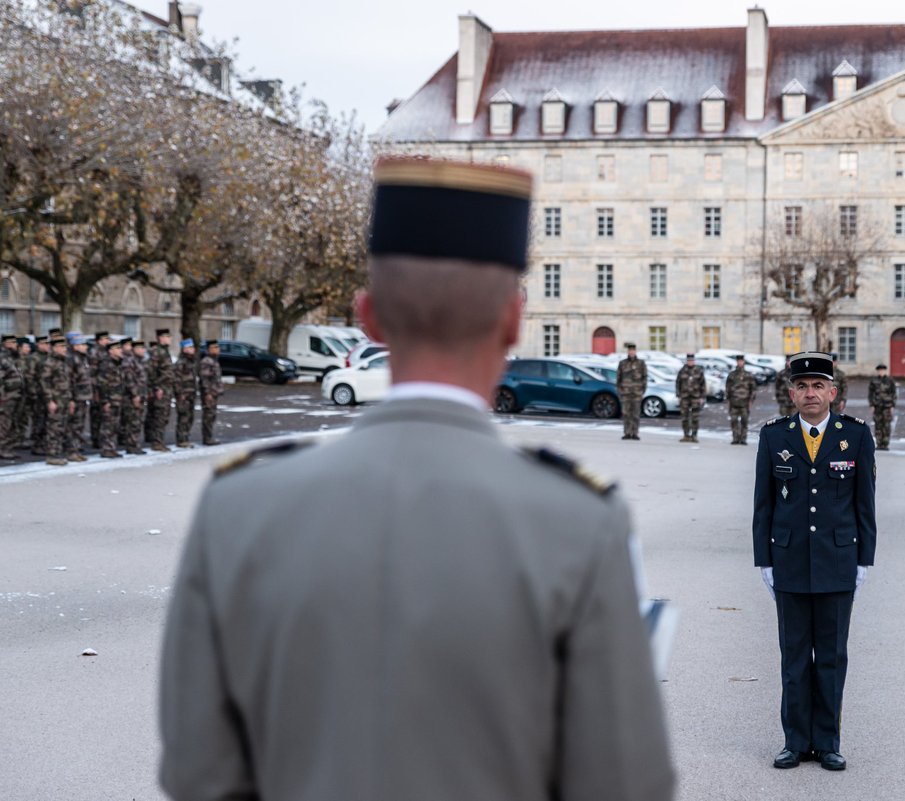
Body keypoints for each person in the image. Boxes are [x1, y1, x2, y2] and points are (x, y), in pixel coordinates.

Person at [159, 157, 673, 801]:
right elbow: (624, 782)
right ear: (513, 321)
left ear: (368, 317)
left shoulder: (239, 504)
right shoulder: (579, 520)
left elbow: (197, 774)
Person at [754, 351, 876, 773]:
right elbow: (763, 504)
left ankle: (827, 743)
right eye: (802, 386)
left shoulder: (856, 436)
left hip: (838, 561)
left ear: (833, 392)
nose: (810, 393)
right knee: (793, 659)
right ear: (791, 393)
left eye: (818, 386)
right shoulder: (774, 436)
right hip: (788, 561)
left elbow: (865, 504)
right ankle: (794, 742)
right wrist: (763, 560)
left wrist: (864, 559)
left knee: (830, 657)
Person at [39, 335, 72, 466]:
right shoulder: (49, 362)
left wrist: (70, 399)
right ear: (56, 348)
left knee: (61, 427)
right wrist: (49, 401)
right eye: (62, 347)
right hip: (55, 400)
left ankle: (57, 452)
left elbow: (67, 383)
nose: (65, 349)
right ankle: (52, 455)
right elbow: (44, 383)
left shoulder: (63, 361)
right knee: (53, 428)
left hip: (64, 400)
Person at [145, 328, 176, 452]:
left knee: (161, 415)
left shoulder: (164, 351)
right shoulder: (156, 351)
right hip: (160, 389)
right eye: (167, 337)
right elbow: (151, 371)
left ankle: (156, 440)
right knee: (159, 416)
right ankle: (157, 442)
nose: (169, 339)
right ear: (161, 338)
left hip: (165, 388)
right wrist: (157, 387)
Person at [95, 340, 125, 458]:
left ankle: (111, 447)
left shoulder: (118, 363)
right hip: (110, 399)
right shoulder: (106, 364)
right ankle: (106, 449)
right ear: (111, 351)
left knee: (114, 425)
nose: (120, 351)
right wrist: (105, 401)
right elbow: (102, 385)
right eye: (117, 349)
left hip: (117, 398)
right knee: (107, 425)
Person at [66, 334, 93, 462]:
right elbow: (69, 381)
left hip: (83, 396)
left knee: (80, 425)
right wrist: (71, 399)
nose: (85, 347)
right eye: (82, 345)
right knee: (74, 426)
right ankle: (72, 451)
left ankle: (76, 449)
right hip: (76, 397)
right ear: (75, 346)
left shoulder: (83, 359)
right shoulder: (72, 359)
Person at [121, 340, 148, 455]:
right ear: (135, 349)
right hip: (132, 397)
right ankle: (131, 445)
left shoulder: (139, 361)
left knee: (138, 421)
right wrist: (135, 395)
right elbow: (129, 380)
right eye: (141, 348)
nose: (143, 351)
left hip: (140, 395)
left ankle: (134, 443)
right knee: (133, 422)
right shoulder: (129, 362)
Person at [616, 342, 647, 440]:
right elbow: (618, 378)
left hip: (637, 393)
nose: (631, 352)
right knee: (626, 413)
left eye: (633, 350)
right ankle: (627, 433)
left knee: (636, 414)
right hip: (625, 393)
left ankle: (635, 433)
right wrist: (620, 391)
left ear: (635, 351)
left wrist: (642, 391)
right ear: (628, 351)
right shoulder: (622, 363)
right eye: (630, 350)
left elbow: (645, 378)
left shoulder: (641, 363)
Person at [725, 354, 757, 445]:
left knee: (744, 421)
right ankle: (735, 438)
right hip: (734, 403)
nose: (740, 363)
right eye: (738, 361)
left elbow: (753, 388)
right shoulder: (732, 375)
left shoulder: (748, 375)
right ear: (737, 362)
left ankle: (743, 439)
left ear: (743, 362)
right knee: (734, 421)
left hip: (745, 403)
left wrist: (751, 400)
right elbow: (727, 388)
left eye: (741, 361)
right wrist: (728, 399)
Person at [0, 334, 23, 459]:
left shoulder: (11, 357)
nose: (15, 345)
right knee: (4, 424)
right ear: (7, 344)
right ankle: (3, 449)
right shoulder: (2, 357)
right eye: (13, 343)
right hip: (6, 397)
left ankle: (8, 448)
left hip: (15, 395)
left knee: (11, 423)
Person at [173, 339, 199, 448]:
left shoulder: (191, 361)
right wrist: (180, 394)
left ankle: (186, 437)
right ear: (185, 349)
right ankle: (181, 440)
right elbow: (176, 380)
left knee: (190, 417)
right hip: (184, 395)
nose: (193, 350)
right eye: (190, 348)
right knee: (183, 417)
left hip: (191, 393)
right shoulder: (181, 362)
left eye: (192, 347)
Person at [675, 353, 705, 443]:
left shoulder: (698, 371)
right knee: (685, 417)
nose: (690, 362)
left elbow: (703, 384)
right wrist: (678, 395)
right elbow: (678, 383)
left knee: (695, 418)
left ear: (694, 361)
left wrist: (702, 397)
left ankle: (694, 435)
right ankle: (686, 435)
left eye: (692, 360)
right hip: (684, 397)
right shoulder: (682, 370)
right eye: (689, 360)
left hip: (695, 397)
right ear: (687, 361)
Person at [866, 364, 896, 451]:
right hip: (877, 406)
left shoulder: (890, 381)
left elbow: (893, 393)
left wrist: (892, 405)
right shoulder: (874, 381)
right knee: (878, 425)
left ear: (885, 371)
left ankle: (885, 443)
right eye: (880, 370)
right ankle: (879, 443)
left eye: (883, 370)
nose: (881, 372)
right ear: (878, 371)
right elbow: (870, 394)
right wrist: (871, 405)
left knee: (886, 425)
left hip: (887, 406)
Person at [198, 341, 223, 445]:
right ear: (209, 349)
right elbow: (204, 379)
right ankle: (207, 438)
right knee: (208, 416)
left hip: (214, 393)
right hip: (209, 393)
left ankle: (209, 437)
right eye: (215, 347)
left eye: (218, 347)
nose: (218, 349)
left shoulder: (214, 361)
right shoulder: (207, 361)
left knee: (211, 415)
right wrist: (207, 393)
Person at [89, 331, 111, 448]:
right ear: (99, 340)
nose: (107, 341)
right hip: (97, 387)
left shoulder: (105, 351)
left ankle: (101, 438)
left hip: (104, 386)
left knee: (103, 415)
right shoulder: (95, 352)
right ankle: (96, 439)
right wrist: (95, 390)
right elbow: (92, 373)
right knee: (96, 414)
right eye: (105, 339)